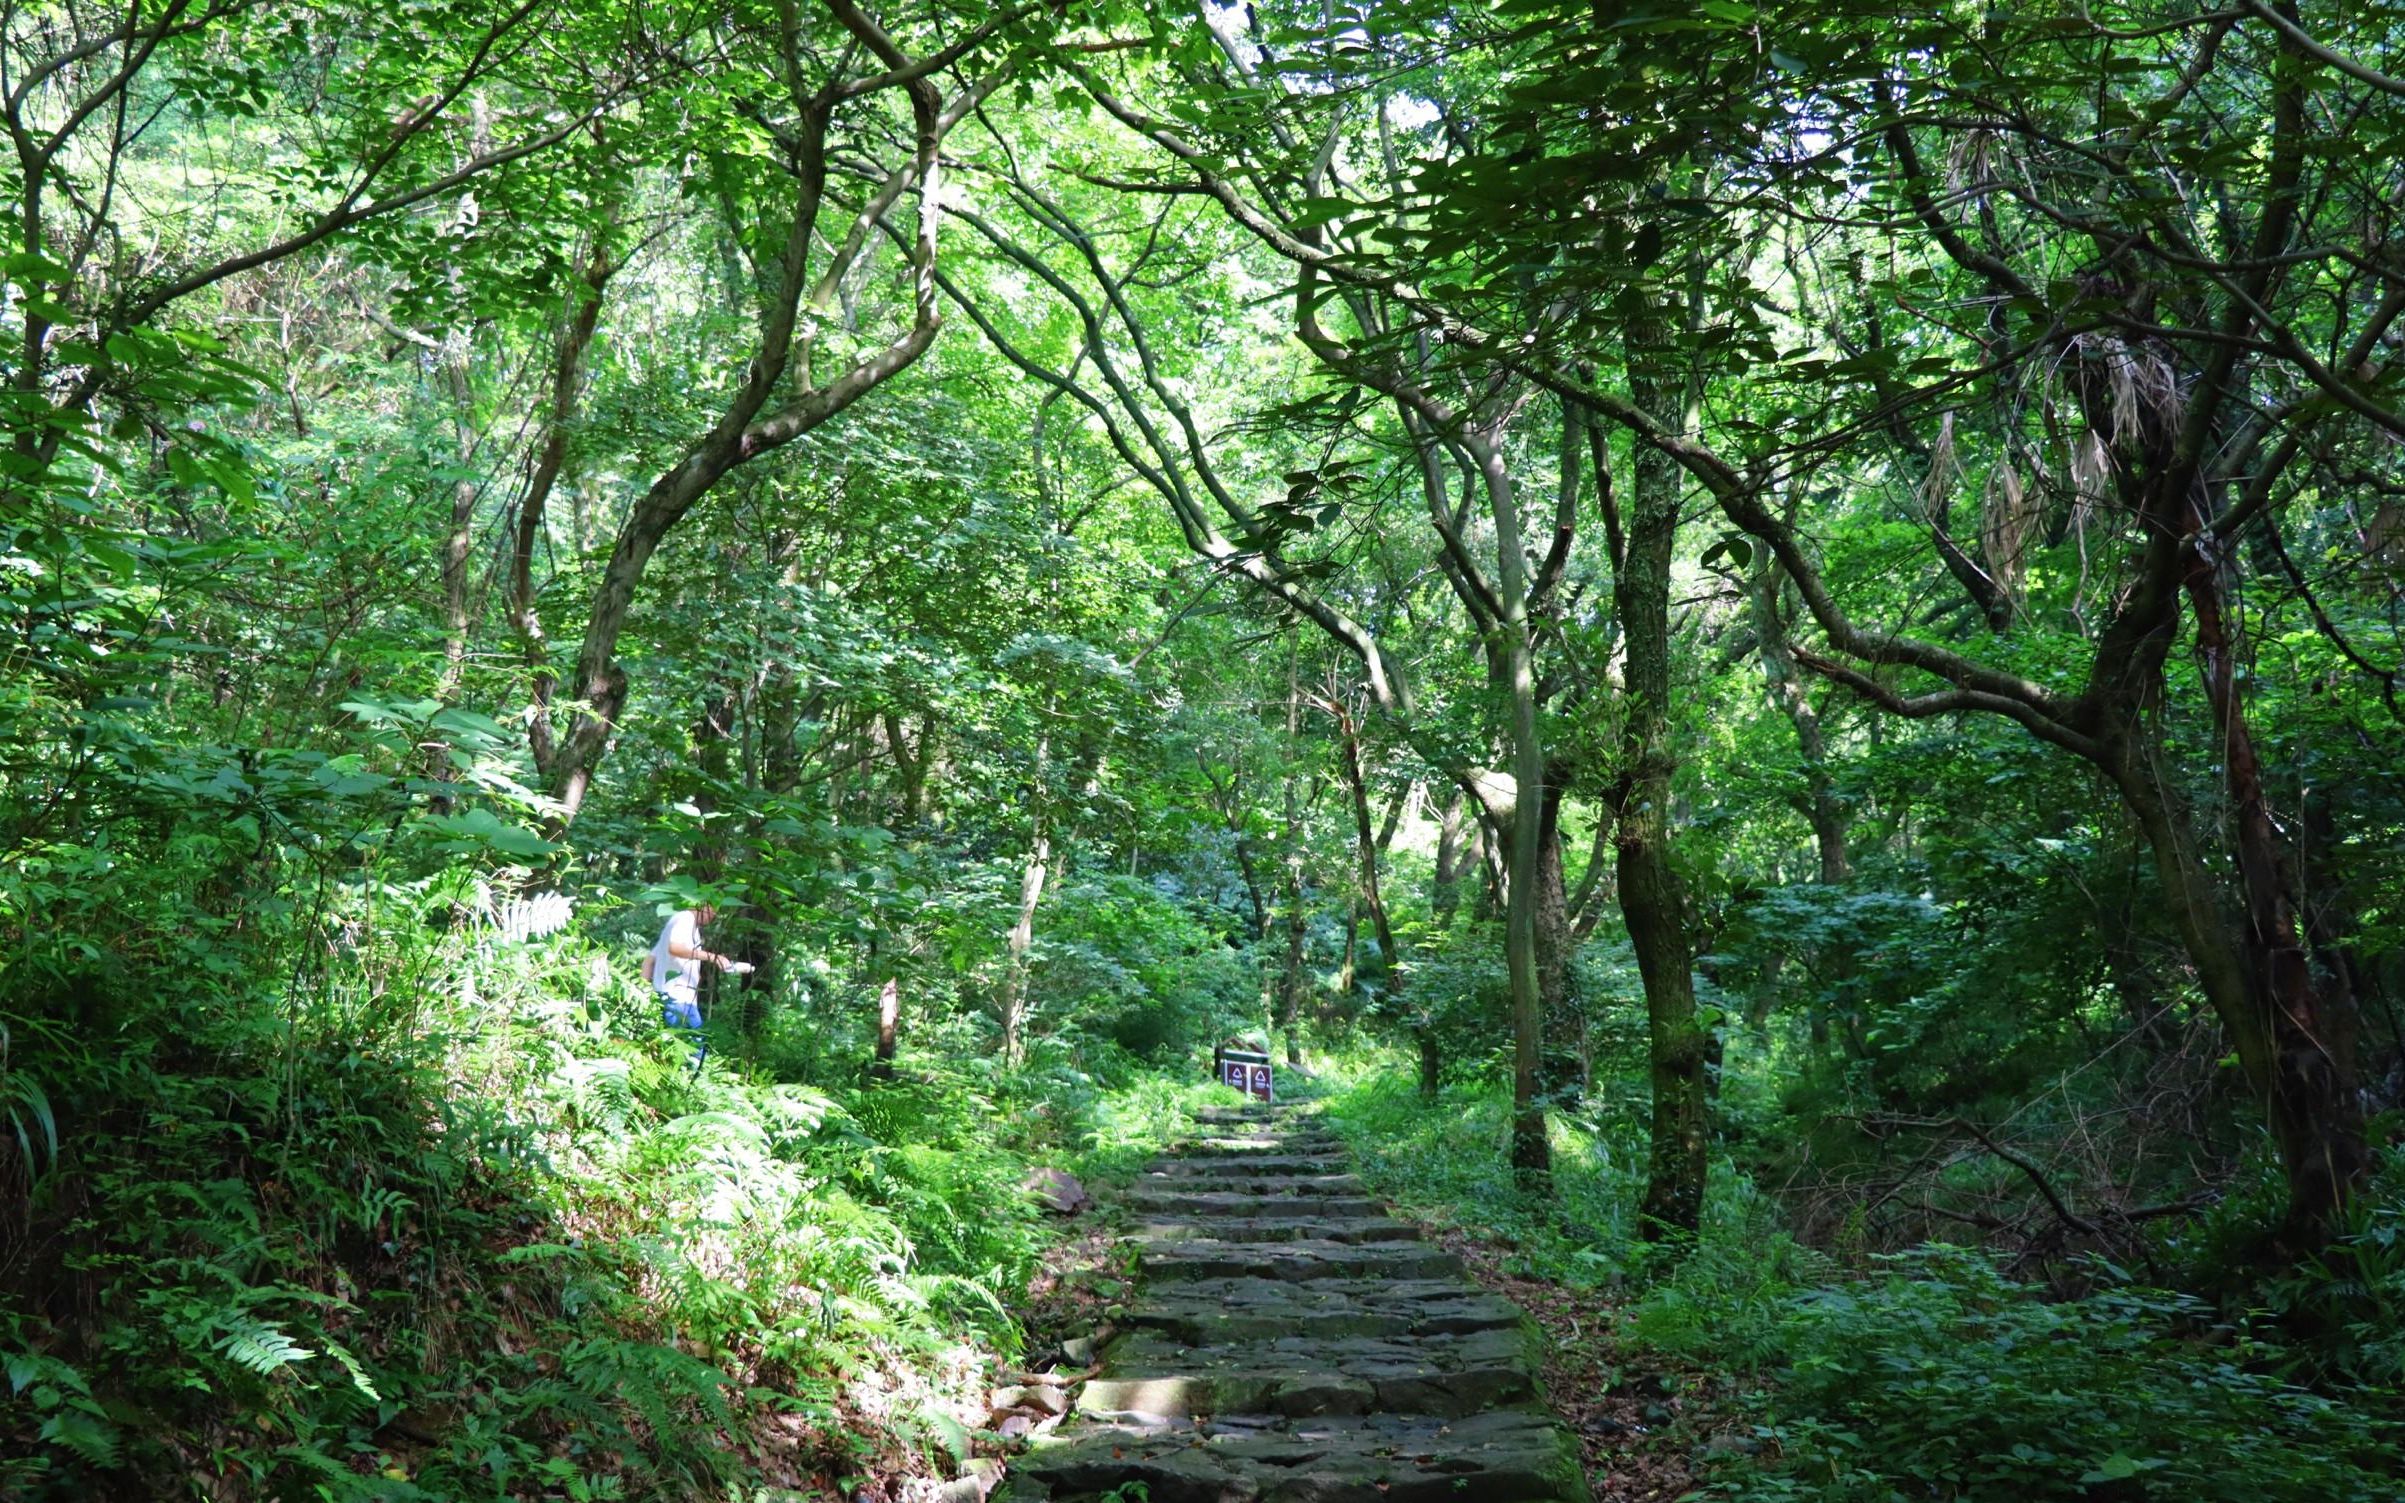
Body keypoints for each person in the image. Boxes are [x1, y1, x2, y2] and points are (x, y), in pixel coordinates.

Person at [647, 903, 749, 1067]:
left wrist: (645, 991)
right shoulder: (685, 919)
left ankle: (684, 1082)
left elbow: (650, 958)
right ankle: (687, 1084)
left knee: (682, 1046)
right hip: (677, 997)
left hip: (675, 996)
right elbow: (675, 948)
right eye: (712, 912)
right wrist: (713, 957)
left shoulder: (680, 923)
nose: (713, 917)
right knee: (691, 1048)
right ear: (703, 905)